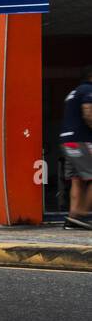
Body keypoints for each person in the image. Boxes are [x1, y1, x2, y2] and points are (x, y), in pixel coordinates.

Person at [60, 65, 92, 231]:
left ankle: (73, 218)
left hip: (67, 141)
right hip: (81, 140)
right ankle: (84, 214)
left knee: (77, 179)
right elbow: (88, 113)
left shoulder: (74, 92)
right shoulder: (88, 90)